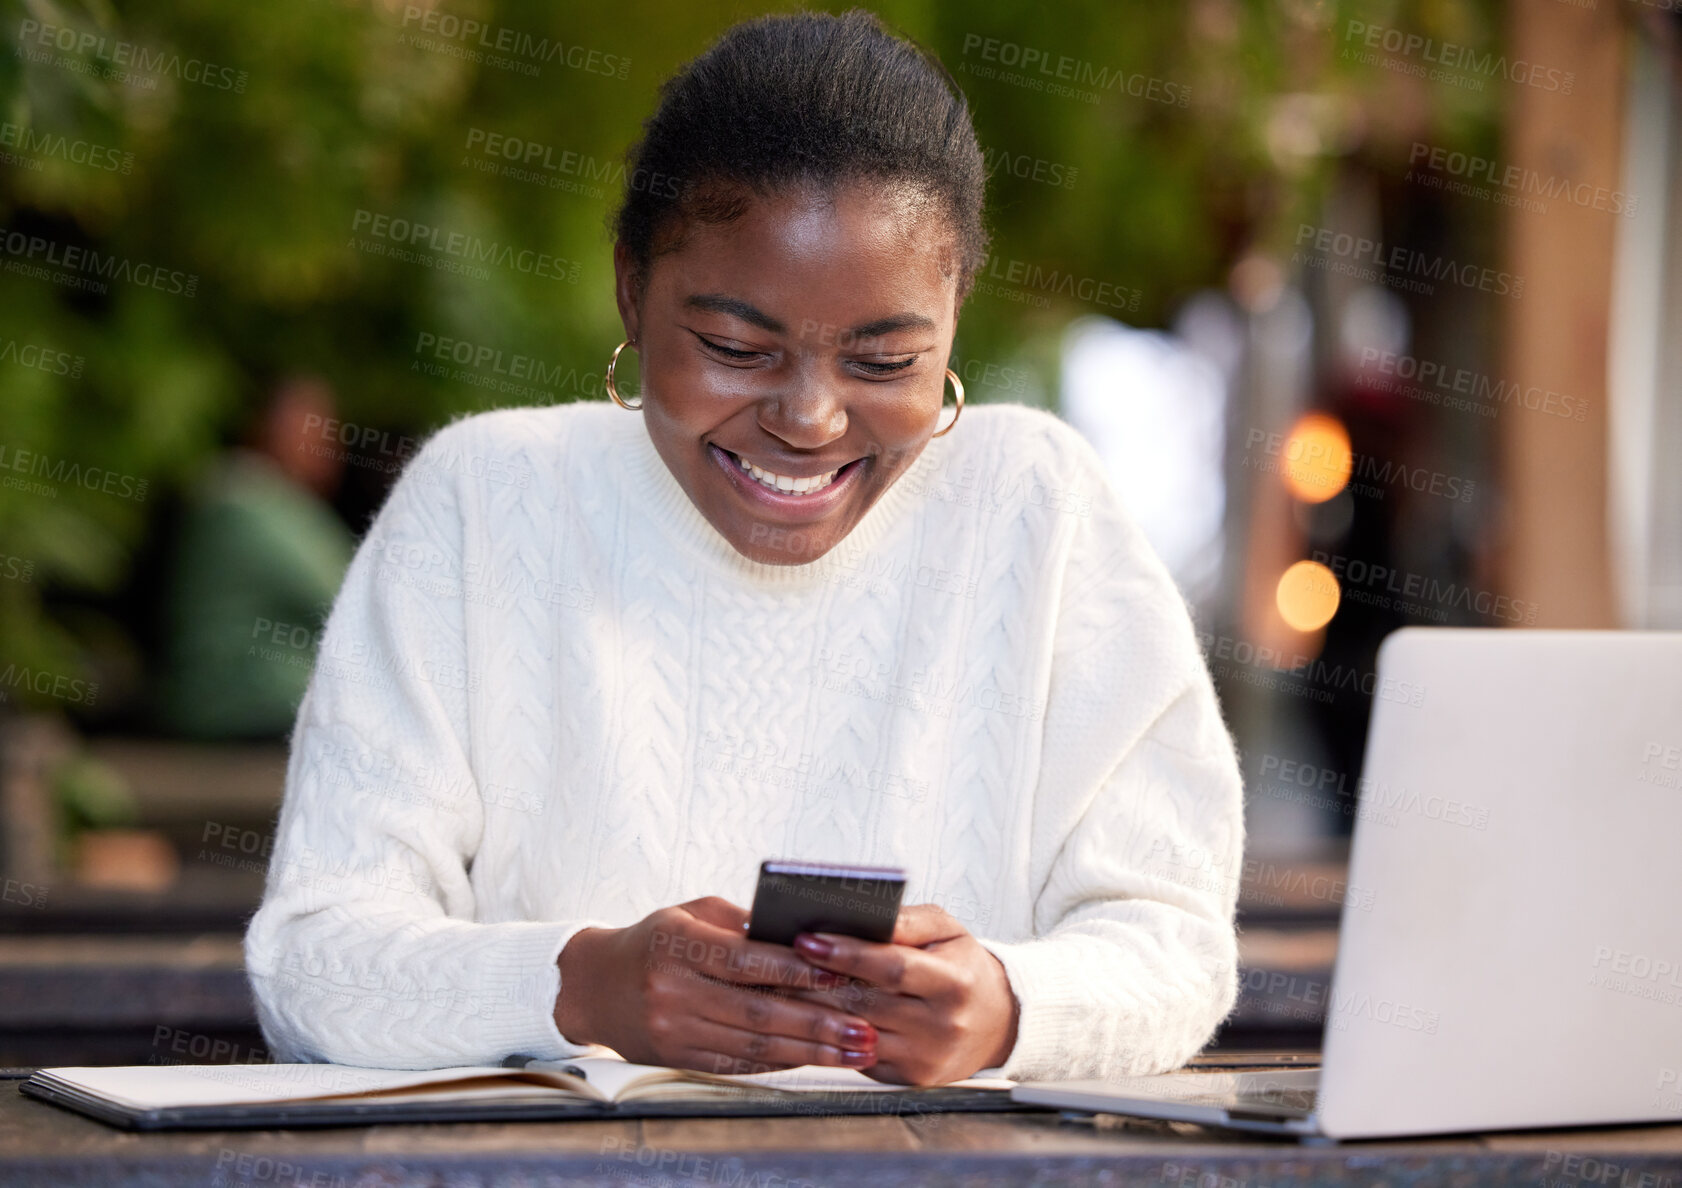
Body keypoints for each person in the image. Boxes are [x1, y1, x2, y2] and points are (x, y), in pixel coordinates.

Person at [244, 8, 1245, 1086]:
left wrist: (1008, 1006)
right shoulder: (485, 503)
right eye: (734, 347)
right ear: (631, 288)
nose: (808, 419)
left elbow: (1174, 942)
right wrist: (580, 987)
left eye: (883, 359)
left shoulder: (1036, 510)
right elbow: (312, 958)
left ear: (952, 318)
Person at [154, 376, 354, 740]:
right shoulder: (242, 500)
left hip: (271, 705)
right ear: (264, 426)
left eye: (330, 430)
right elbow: (345, 592)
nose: (326, 443)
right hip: (240, 704)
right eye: (310, 428)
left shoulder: (278, 503)